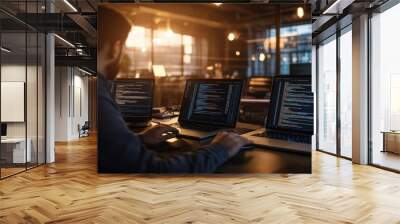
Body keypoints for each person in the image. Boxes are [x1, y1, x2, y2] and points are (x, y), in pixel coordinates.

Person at [97, 7, 251, 173]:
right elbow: (155, 171)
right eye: (125, 47)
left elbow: (107, 148)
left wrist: (140, 139)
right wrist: (221, 149)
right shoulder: (98, 95)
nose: (125, 52)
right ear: (115, 48)